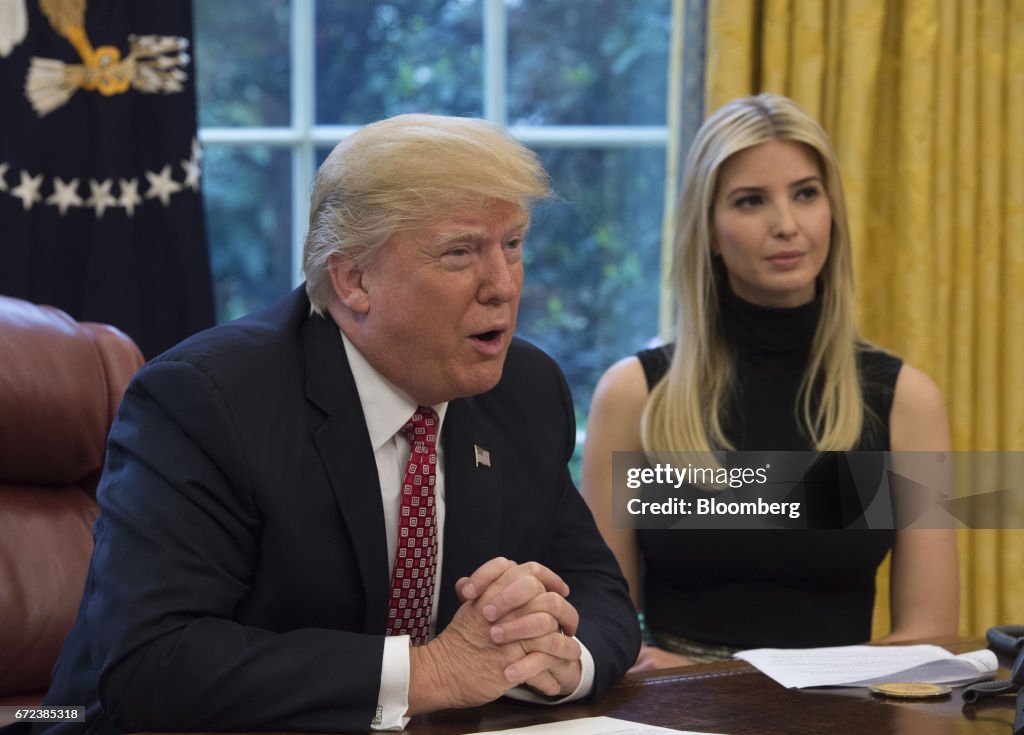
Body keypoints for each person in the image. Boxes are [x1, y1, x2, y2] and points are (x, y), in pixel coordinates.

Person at [35, 114, 640, 734]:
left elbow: (595, 590)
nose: (504, 285)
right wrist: (432, 673)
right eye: (461, 252)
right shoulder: (206, 400)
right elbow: (152, 664)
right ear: (354, 281)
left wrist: (559, 659)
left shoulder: (525, 388)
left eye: (512, 244)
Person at [581, 94, 958, 670]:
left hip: (843, 714)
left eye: (806, 194)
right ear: (707, 229)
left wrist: (755, 683)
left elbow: (929, 637)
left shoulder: (905, 400)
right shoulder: (634, 395)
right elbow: (603, 629)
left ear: (831, 210)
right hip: (675, 715)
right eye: (751, 201)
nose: (787, 225)